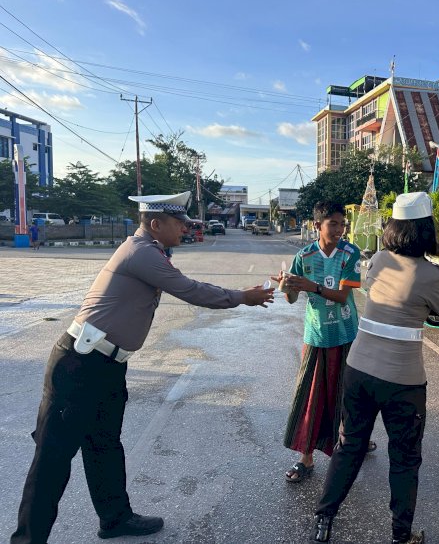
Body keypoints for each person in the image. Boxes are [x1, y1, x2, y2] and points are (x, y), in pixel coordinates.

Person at [10, 192, 274, 544]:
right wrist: (243, 296)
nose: (185, 227)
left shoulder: (151, 251)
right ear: (155, 224)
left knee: (104, 444)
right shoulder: (141, 252)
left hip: (106, 364)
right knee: (53, 458)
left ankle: (115, 518)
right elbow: (191, 290)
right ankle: (27, 539)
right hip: (79, 363)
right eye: (179, 222)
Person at [309, 192, 439, 544]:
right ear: (427, 230)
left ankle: (324, 519)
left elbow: (391, 298)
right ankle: (402, 535)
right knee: (404, 458)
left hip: (359, 370)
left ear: (393, 228)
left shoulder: (380, 260)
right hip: (403, 382)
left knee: (349, 446)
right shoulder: (431, 275)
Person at [277, 201, 373, 484]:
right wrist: (287, 286)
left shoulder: (350, 253)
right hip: (316, 336)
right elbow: (292, 298)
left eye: (342, 224)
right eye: (334, 223)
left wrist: (312, 286)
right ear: (317, 225)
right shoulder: (303, 256)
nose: (340, 229)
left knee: (349, 396)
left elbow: (344, 297)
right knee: (311, 397)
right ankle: (306, 458)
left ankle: (356, 443)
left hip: (346, 335)